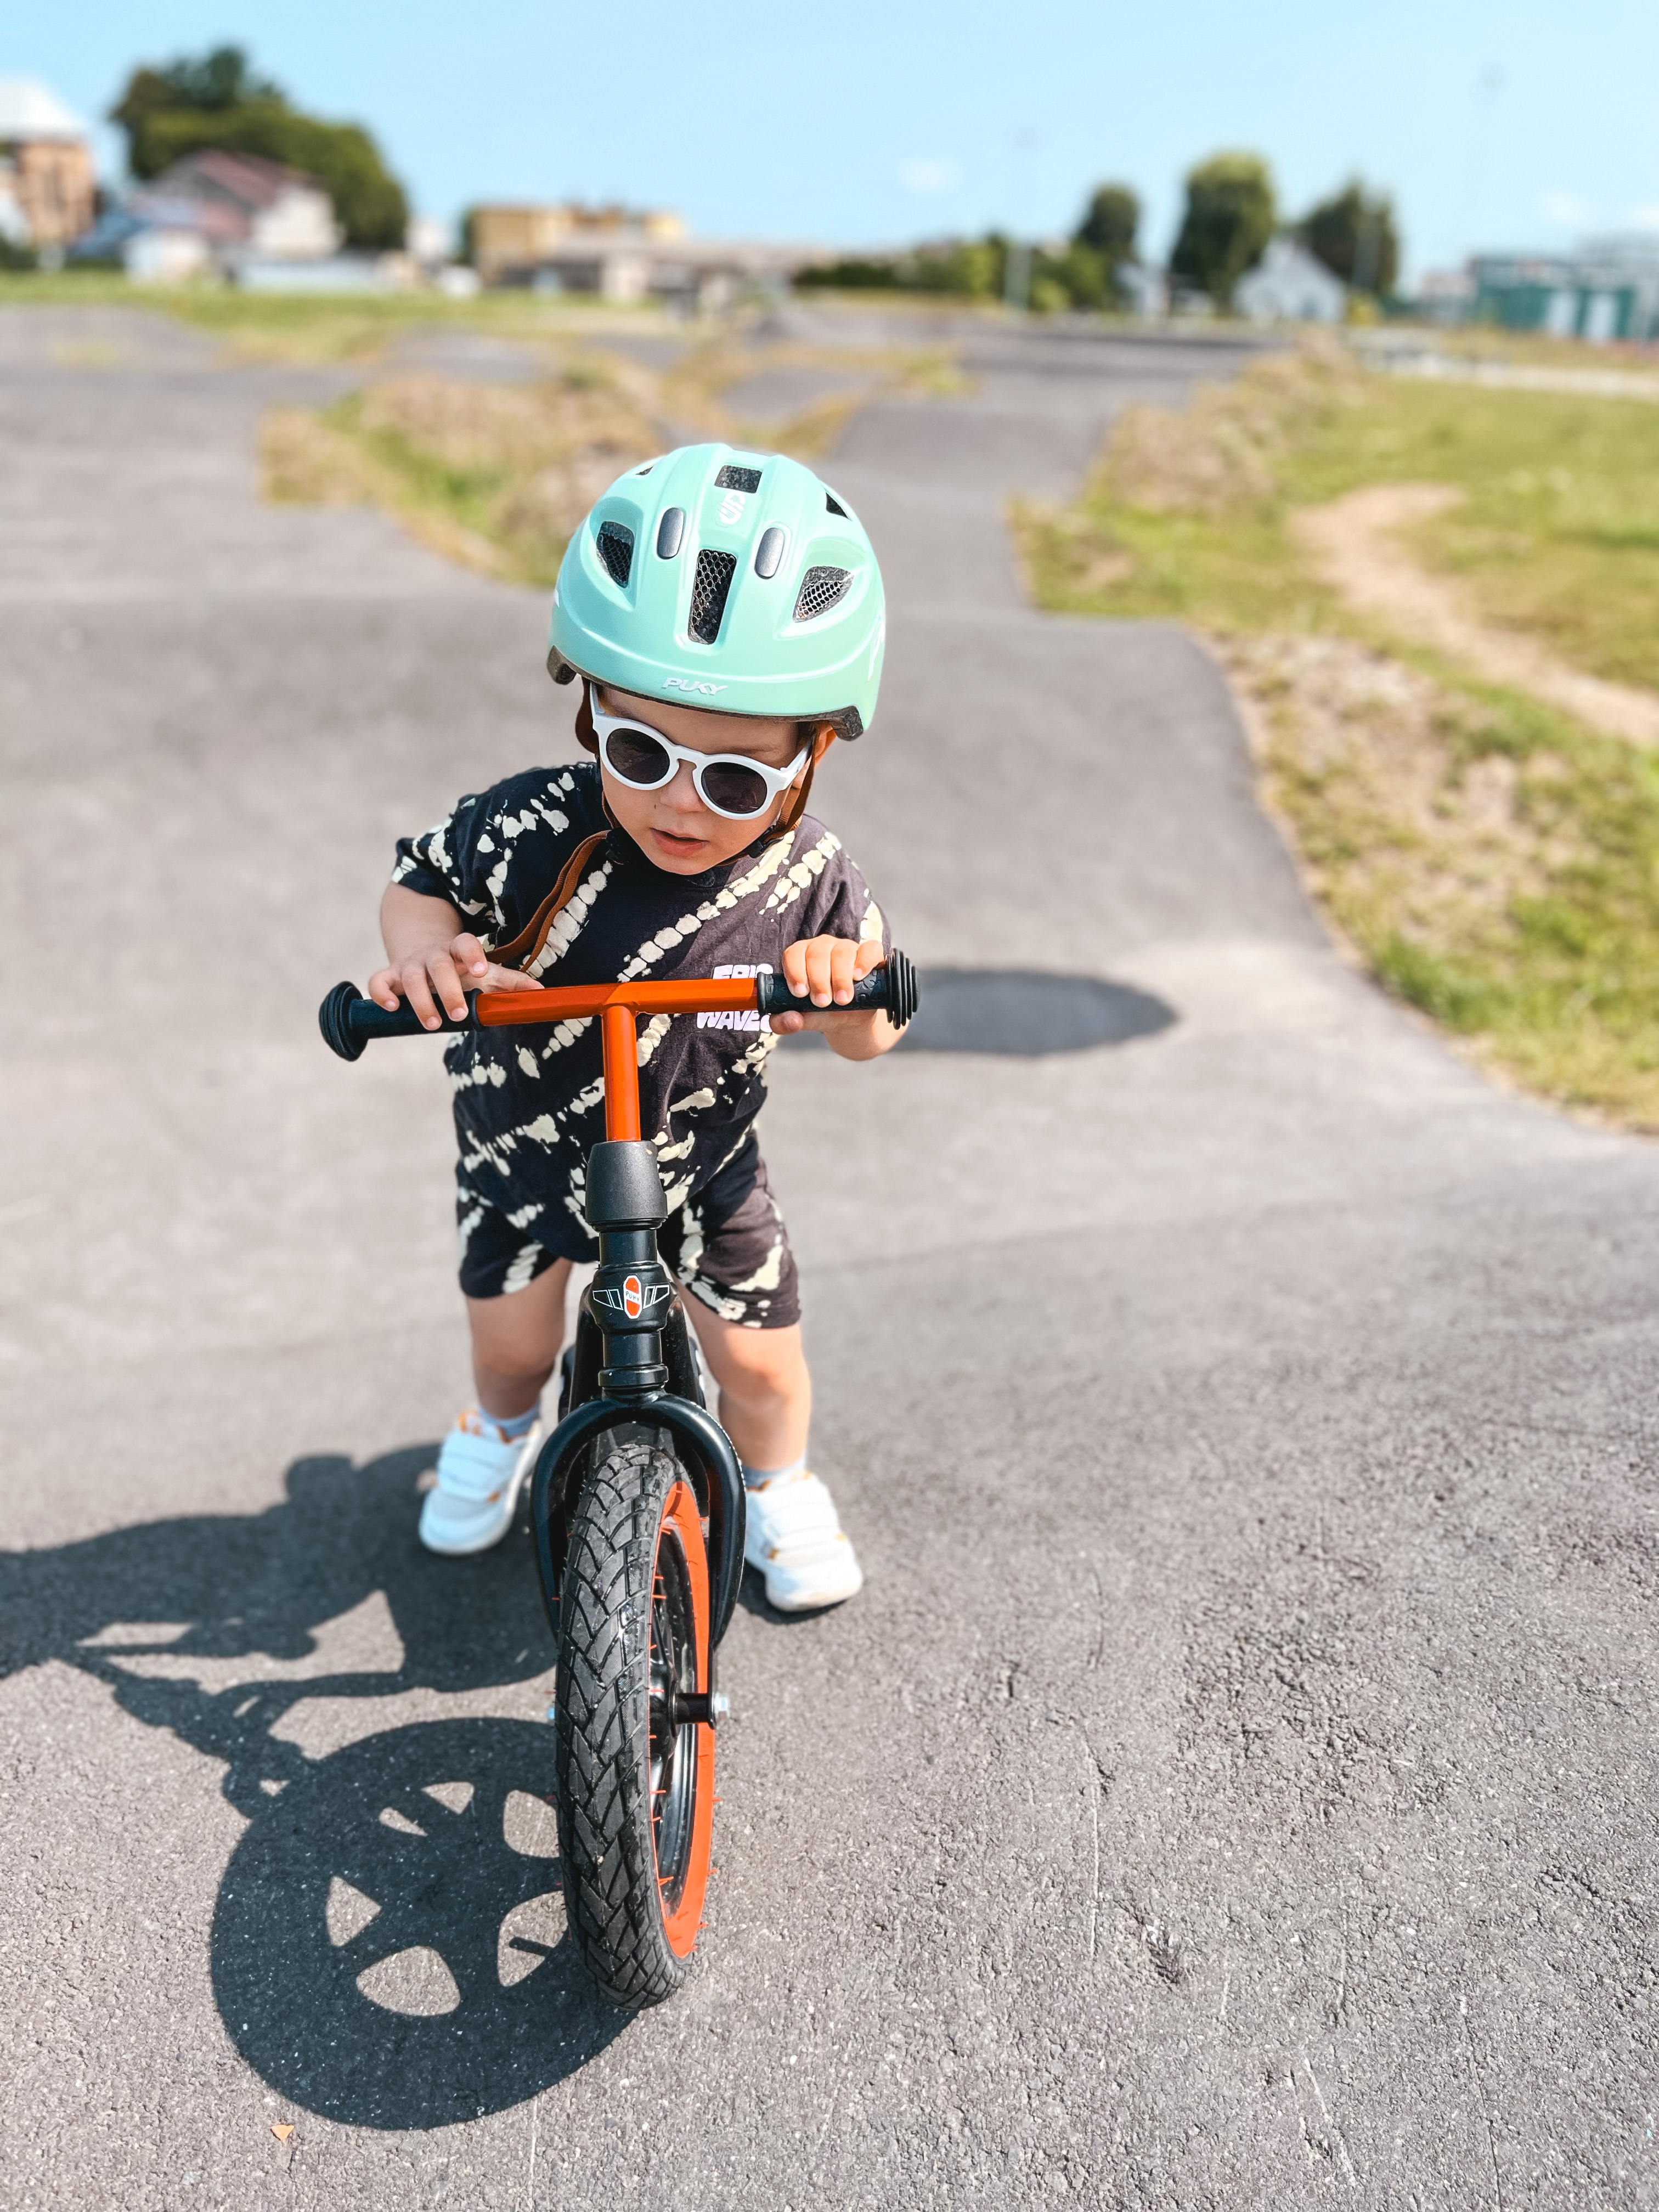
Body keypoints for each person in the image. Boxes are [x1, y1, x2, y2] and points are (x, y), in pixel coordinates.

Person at [368, 444, 897, 1611]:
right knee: (513, 1348)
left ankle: (779, 1480)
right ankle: (497, 1430)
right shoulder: (533, 825)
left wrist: (843, 990)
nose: (679, 802)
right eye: (642, 752)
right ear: (590, 709)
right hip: (521, 1152)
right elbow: (420, 883)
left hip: (702, 1168)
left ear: (812, 756)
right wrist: (427, 955)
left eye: (737, 780)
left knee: (760, 1365)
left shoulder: (809, 877)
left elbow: (872, 1032)